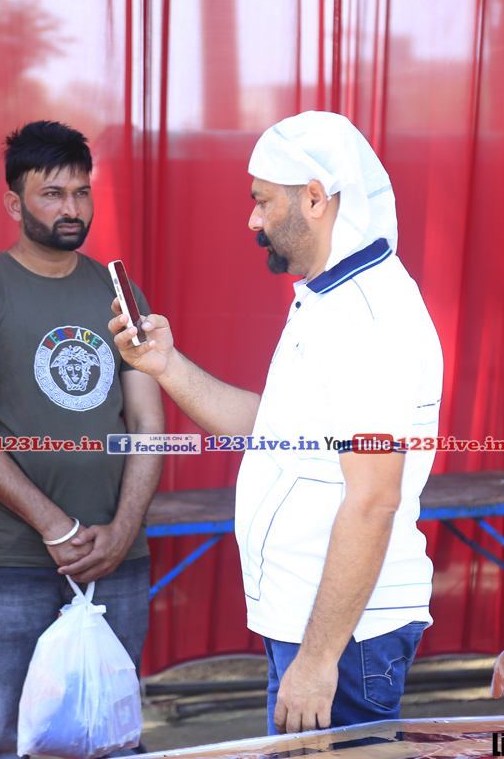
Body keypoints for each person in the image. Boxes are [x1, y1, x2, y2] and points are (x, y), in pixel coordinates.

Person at [108, 111, 443, 735]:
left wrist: (316, 661)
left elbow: (373, 499)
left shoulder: (367, 317)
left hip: (343, 640)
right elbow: (275, 430)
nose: (253, 220)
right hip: (316, 627)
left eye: (262, 201)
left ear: (315, 198)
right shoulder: (327, 298)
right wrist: (165, 365)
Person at [0, 120, 164, 759]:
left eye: (81, 193)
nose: (72, 209)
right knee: (11, 741)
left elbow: (147, 424)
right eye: (53, 194)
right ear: (15, 204)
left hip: (116, 559)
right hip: (13, 563)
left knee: (111, 740)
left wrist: (122, 530)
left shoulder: (120, 295)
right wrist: (56, 527)